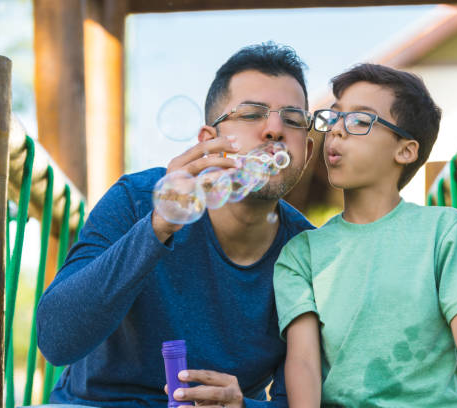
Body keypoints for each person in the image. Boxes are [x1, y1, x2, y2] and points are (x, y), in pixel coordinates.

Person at [36, 42, 315, 408]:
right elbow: (57, 340)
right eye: (251, 114)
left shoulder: (307, 251)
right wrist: (158, 226)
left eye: (293, 120)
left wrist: (247, 406)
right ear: (209, 141)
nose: (275, 130)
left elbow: (295, 400)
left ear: (306, 152)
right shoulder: (137, 199)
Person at [273, 63, 457, 407]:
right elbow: (303, 362)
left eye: (359, 120)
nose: (336, 131)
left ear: (405, 150)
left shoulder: (443, 229)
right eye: (334, 117)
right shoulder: (302, 253)